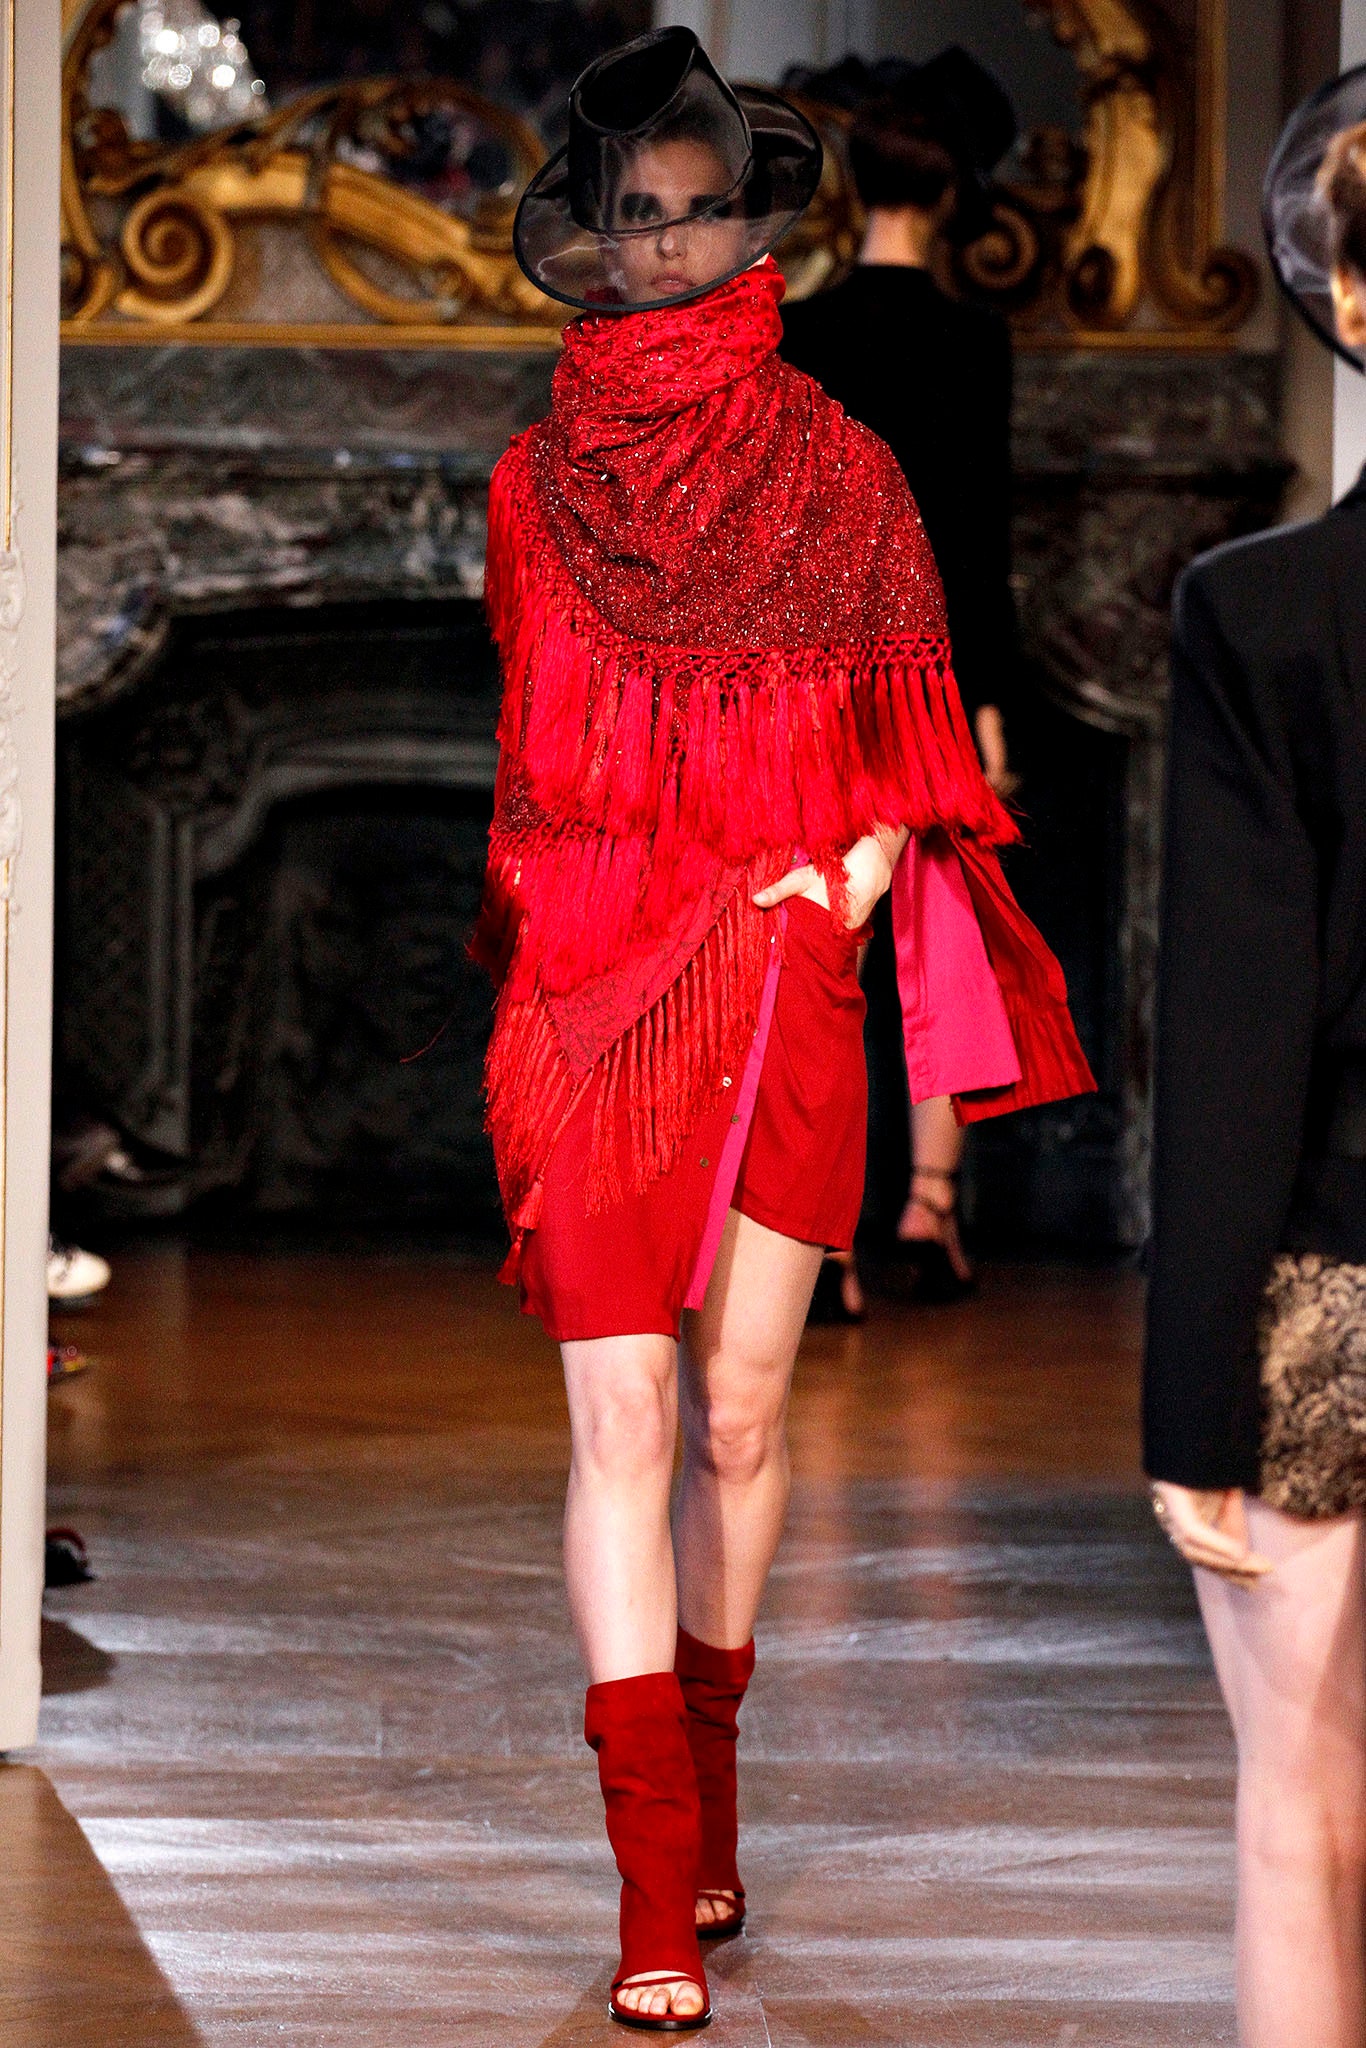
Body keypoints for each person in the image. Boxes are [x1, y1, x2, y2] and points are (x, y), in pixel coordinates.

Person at [480, 26, 1093, 2030]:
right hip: (589, 977)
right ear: (592, 238)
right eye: (628, 216)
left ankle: (713, 1781)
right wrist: (632, 899)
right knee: (619, 1414)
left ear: (754, 229)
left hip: (771, 984)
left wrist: (824, 884)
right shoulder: (528, 490)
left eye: (692, 214)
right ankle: (650, 1879)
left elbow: (906, 757)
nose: (660, 247)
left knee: (738, 1413)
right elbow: (531, 776)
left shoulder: (839, 469)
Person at [1145, 67, 1366, 2048]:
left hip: (1328, 1295)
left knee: (1292, 1808)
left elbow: (1231, 1019)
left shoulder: (1263, 612)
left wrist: (1186, 1392)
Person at [781, 53, 1020, 1314]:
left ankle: (818, 1243)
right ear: (948, 199)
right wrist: (983, 713)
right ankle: (927, 1210)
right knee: (940, 938)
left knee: (826, 950)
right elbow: (975, 541)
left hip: (810, 678)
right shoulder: (972, 340)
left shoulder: (798, 335)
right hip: (921, 677)